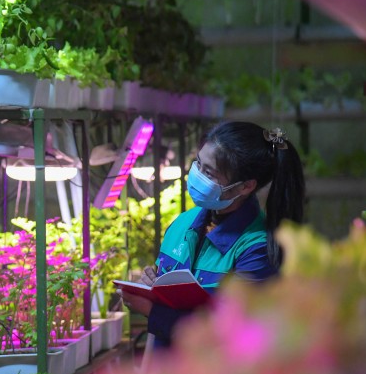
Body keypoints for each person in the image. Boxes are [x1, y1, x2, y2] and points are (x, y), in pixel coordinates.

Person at [120, 121, 306, 349]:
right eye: (198, 163)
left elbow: (229, 338)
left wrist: (149, 310)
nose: (196, 174)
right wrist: (150, 287)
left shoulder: (258, 249)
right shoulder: (182, 224)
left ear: (246, 186)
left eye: (209, 172)